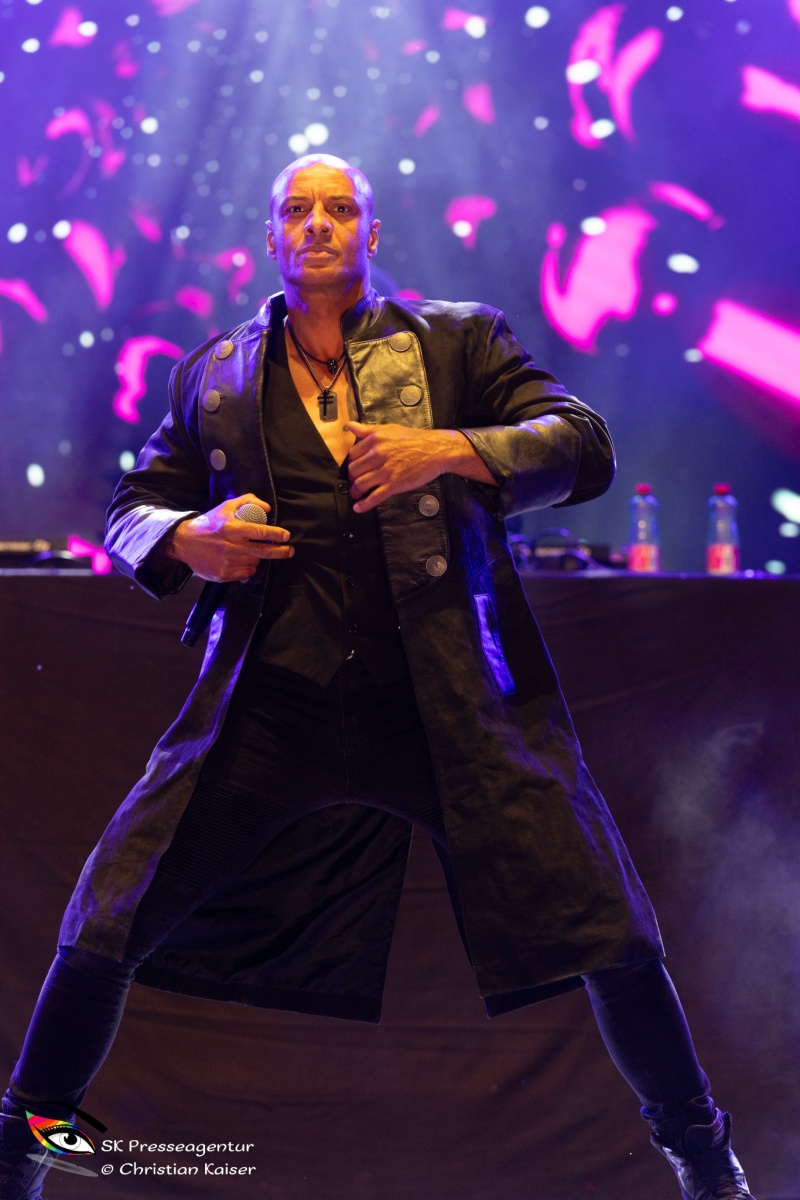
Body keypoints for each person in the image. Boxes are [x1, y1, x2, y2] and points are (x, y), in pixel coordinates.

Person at [1, 155, 754, 1200]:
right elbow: (133, 504)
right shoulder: (215, 374)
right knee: (104, 922)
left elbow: (581, 445)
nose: (318, 224)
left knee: (608, 929)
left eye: (340, 208)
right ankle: (20, 1156)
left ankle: (706, 1165)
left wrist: (447, 449)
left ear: (371, 231)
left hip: (442, 699)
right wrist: (186, 537)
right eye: (297, 210)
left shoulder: (457, 342)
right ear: (270, 237)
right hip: (272, 703)